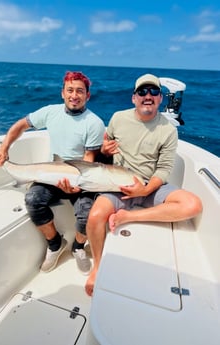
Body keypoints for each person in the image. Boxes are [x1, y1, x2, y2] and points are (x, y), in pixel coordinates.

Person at [85, 73, 203, 296]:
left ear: (160, 99)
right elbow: (104, 143)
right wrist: (104, 149)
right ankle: (98, 266)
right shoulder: (118, 118)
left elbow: (164, 169)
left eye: (154, 92)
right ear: (134, 98)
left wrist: (145, 190)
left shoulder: (168, 130)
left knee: (193, 205)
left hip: (151, 186)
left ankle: (128, 216)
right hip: (119, 186)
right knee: (94, 216)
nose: (147, 96)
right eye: (142, 92)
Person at [0, 71, 105, 275]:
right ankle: (55, 244)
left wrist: (76, 186)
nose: (74, 95)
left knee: (88, 214)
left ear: (87, 96)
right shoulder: (50, 112)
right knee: (33, 199)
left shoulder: (94, 122)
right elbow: (21, 125)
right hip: (51, 174)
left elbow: (89, 160)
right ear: (62, 93)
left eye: (80, 91)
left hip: (80, 178)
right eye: (70, 90)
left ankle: (78, 247)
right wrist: (4, 148)